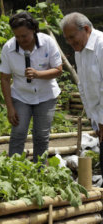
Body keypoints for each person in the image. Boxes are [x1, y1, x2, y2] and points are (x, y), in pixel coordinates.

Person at [0, 11, 62, 162]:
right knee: (18, 133)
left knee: (41, 135)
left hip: (46, 95)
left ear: (33, 30)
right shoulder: (8, 48)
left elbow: (58, 70)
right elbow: (5, 79)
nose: (21, 40)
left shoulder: (48, 43)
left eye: (24, 36)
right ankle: (14, 170)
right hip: (21, 96)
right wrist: (10, 108)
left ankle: (39, 172)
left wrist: (38, 74)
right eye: (17, 36)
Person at [60, 12, 103, 175]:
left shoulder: (101, 45)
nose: (70, 42)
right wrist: (94, 118)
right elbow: (83, 85)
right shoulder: (80, 51)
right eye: (67, 39)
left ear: (85, 29)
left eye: (72, 37)